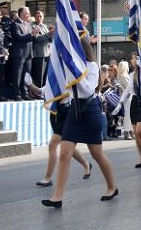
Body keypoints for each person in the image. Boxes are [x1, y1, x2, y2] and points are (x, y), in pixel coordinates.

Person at [41, 36, 118, 208]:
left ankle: (112, 186)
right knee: (64, 154)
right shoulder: (68, 66)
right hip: (74, 111)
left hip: (90, 111)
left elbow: (87, 89)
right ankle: (57, 197)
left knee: (97, 154)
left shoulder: (92, 66)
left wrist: (76, 73)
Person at [26, 76, 93, 187]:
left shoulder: (68, 74)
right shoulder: (54, 73)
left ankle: (48, 178)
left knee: (52, 145)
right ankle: (86, 164)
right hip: (55, 112)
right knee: (66, 144)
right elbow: (42, 92)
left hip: (66, 111)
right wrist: (29, 83)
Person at [8, 7, 34, 100]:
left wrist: (35, 34)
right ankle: (17, 93)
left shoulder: (28, 24)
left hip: (28, 53)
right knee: (17, 74)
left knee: (26, 74)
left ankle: (25, 92)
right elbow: (18, 37)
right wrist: (31, 34)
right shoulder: (15, 24)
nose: (29, 15)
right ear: (21, 14)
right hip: (19, 53)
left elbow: (31, 38)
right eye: (27, 13)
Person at [30, 11, 53, 87]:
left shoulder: (45, 26)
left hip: (47, 52)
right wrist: (49, 34)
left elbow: (49, 38)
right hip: (39, 53)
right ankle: (38, 90)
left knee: (45, 74)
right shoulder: (33, 26)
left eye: (40, 16)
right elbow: (37, 39)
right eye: (37, 16)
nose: (38, 18)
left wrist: (52, 34)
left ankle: (44, 90)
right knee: (39, 75)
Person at [117, 60, 133, 140]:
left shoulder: (124, 75)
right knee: (128, 115)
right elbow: (129, 87)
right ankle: (127, 132)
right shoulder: (124, 76)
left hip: (128, 97)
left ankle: (129, 131)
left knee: (130, 115)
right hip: (127, 97)